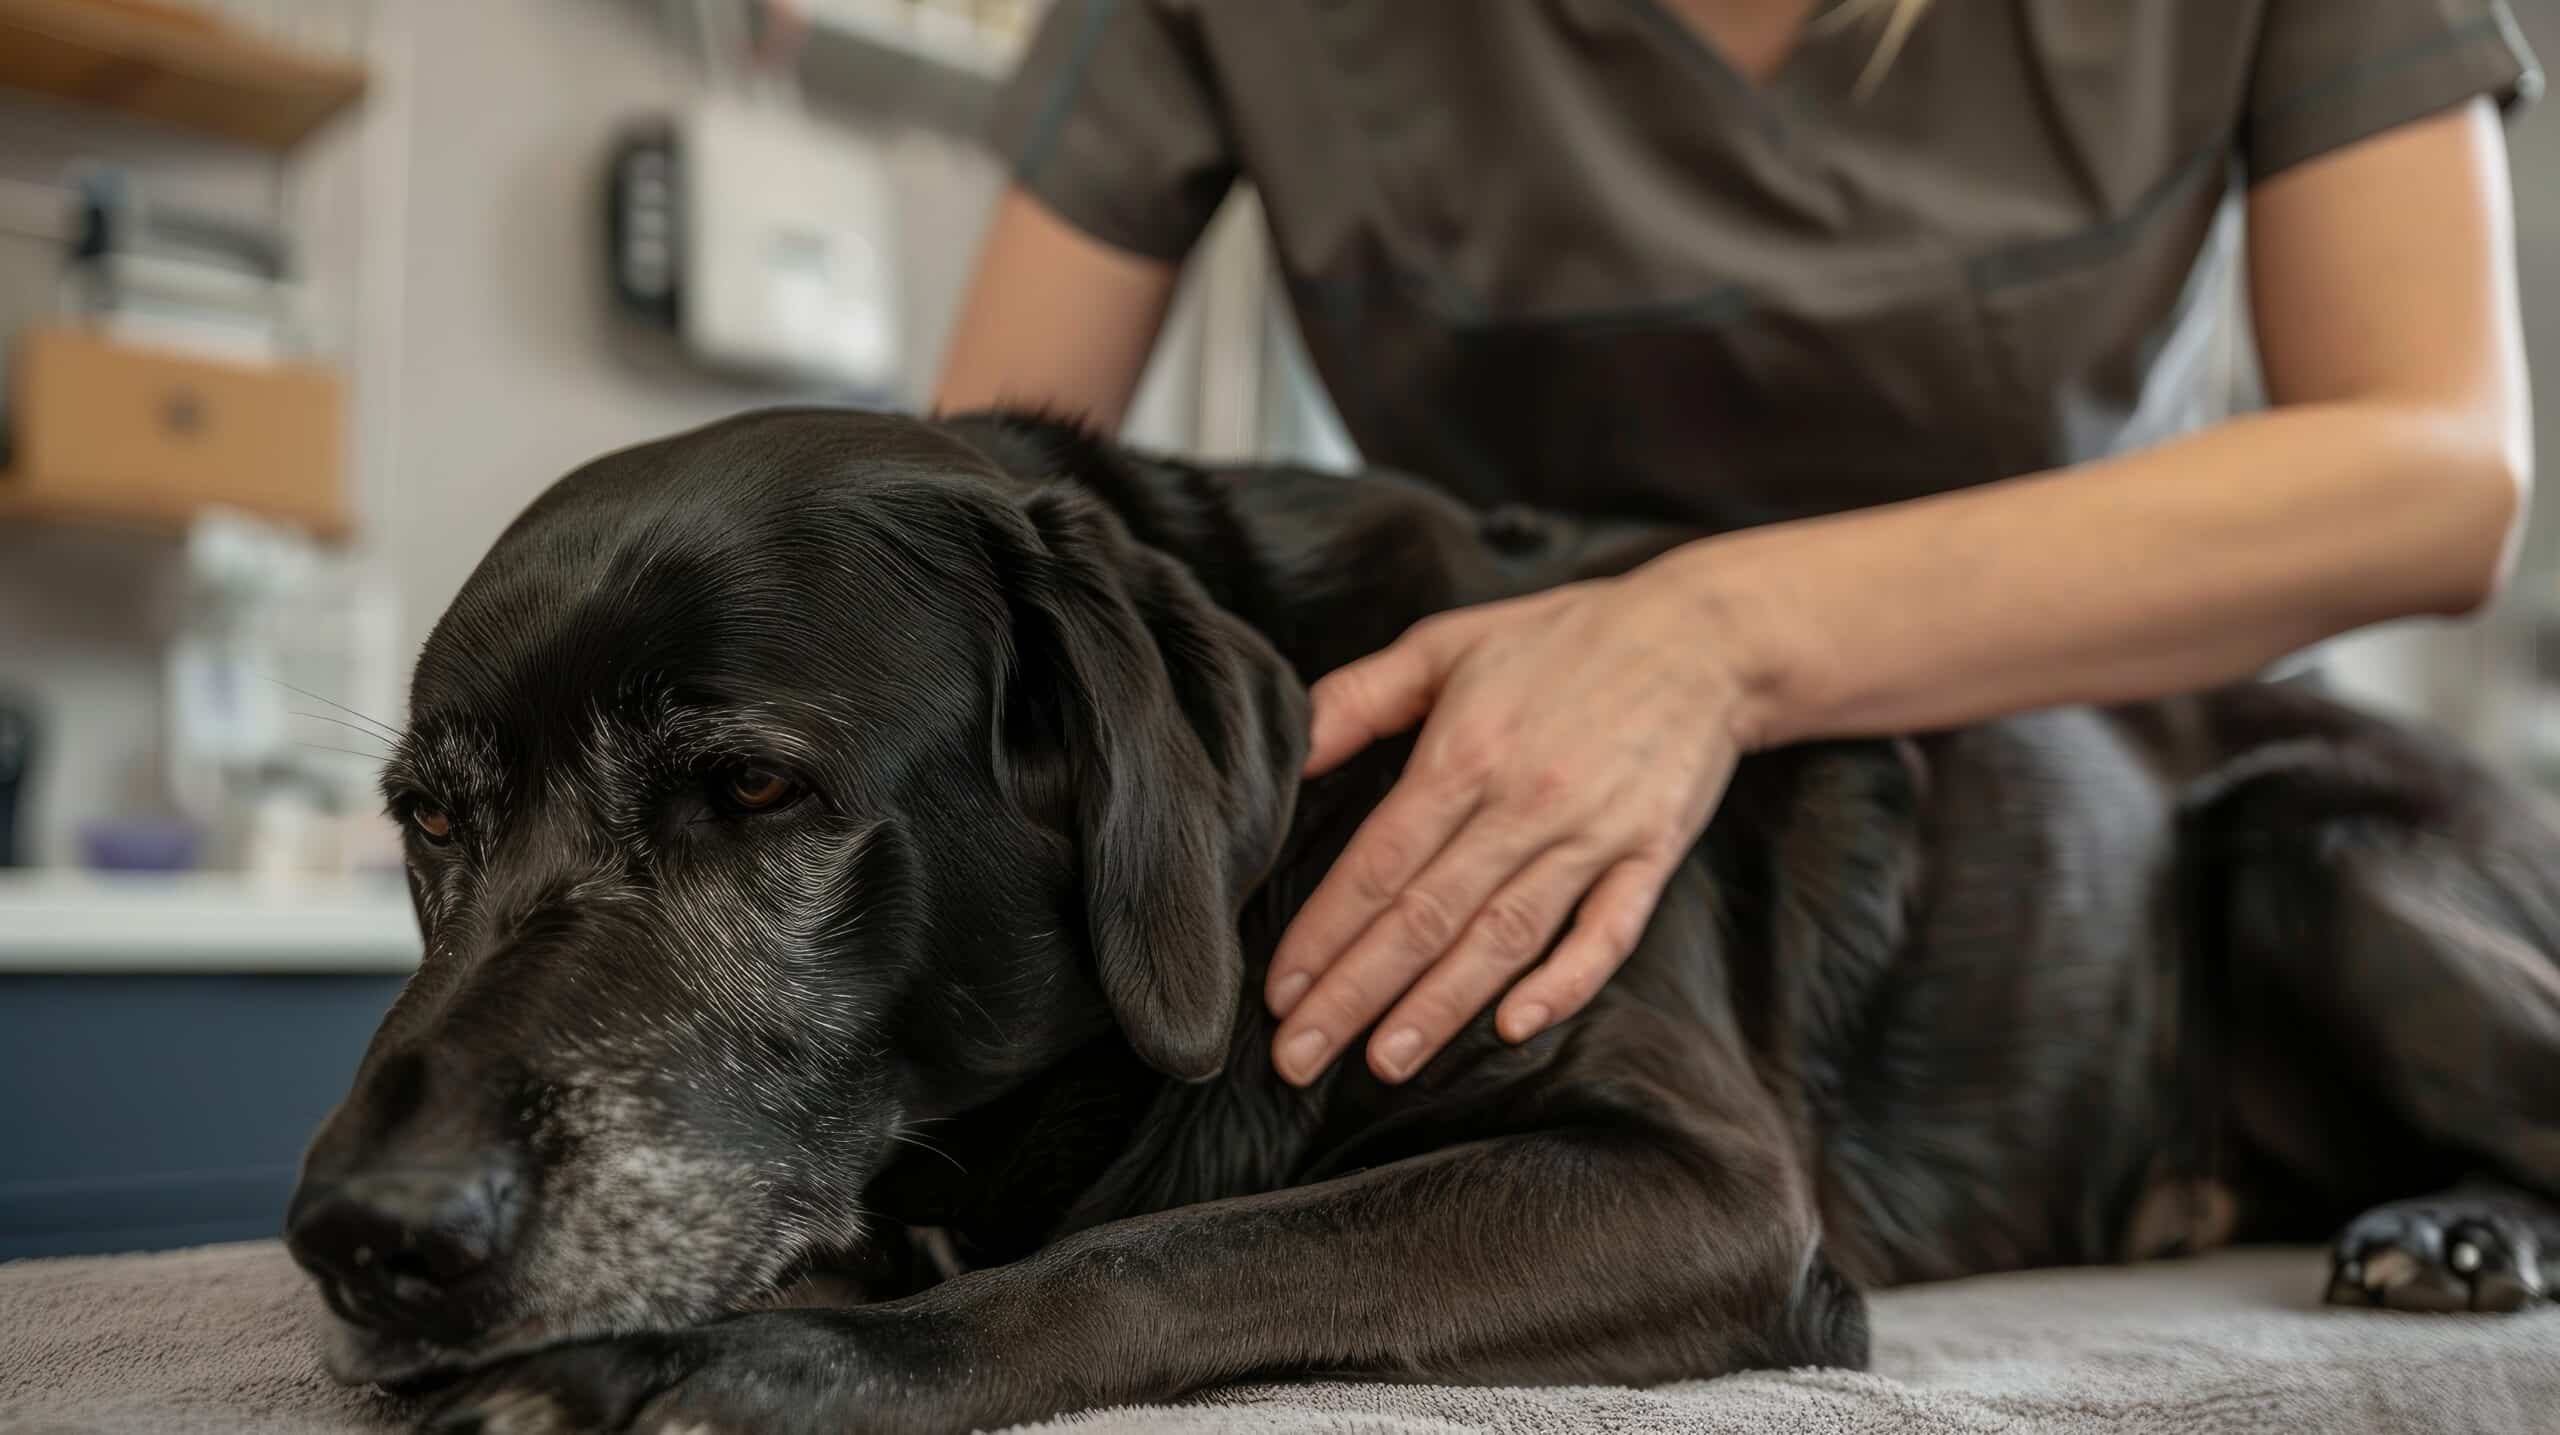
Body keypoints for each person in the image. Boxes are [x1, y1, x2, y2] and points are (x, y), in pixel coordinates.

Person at [932, 0, 2542, 1092]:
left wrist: (1713, 634)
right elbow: (949, 551)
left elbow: (2440, 471)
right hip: (1523, 826)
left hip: (2078, 877)